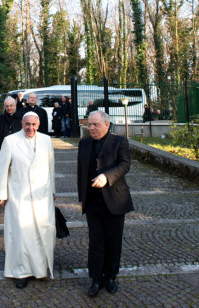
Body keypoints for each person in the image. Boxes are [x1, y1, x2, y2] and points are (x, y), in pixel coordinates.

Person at [0, 111, 56, 289]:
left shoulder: (46, 140)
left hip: (42, 196)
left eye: (33, 125)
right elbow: (2, 169)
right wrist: (1, 194)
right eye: (27, 124)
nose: (30, 128)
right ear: (22, 124)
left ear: (39, 125)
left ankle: (40, 269)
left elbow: (51, 167)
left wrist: (53, 190)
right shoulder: (10, 141)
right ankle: (20, 272)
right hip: (18, 195)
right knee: (20, 235)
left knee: (40, 232)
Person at [77, 110, 133, 297]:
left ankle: (110, 277)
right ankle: (95, 279)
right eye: (89, 125)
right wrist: (81, 198)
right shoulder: (84, 143)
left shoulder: (119, 142)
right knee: (95, 242)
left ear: (106, 125)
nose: (91, 128)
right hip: (92, 202)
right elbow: (81, 171)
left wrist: (106, 176)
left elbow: (125, 165)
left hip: (114, 200)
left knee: (113, 241)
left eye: (95, 125)